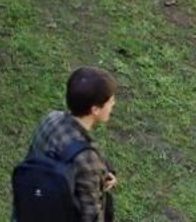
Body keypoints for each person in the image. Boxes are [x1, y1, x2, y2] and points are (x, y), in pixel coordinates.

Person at [13, 67, 119, 222]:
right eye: (110, 101)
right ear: (95, 109)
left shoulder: (51, 119)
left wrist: (101, 174)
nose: (113, 104)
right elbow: (91, 215)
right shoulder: (87, 158)